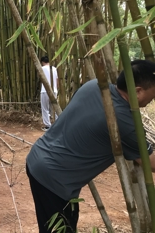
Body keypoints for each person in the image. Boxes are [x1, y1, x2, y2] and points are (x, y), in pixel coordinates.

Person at [26, 60, 155, 233]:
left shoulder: (93, 85)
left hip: (39, 157)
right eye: (153, 94)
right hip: (55, 179)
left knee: (65, 223)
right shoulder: (122, 120)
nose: (153, 99)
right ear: (138, 91)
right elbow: (151, 163)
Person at [40, 56, 59, 131]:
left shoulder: (42, 68)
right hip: (54, 91)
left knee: (45, 108)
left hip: (45, 91)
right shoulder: (54, 69)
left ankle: (48, 126)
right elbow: (57, 81)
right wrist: (56, 89)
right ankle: (57, 123)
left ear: (42, 62)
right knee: (54, 107)